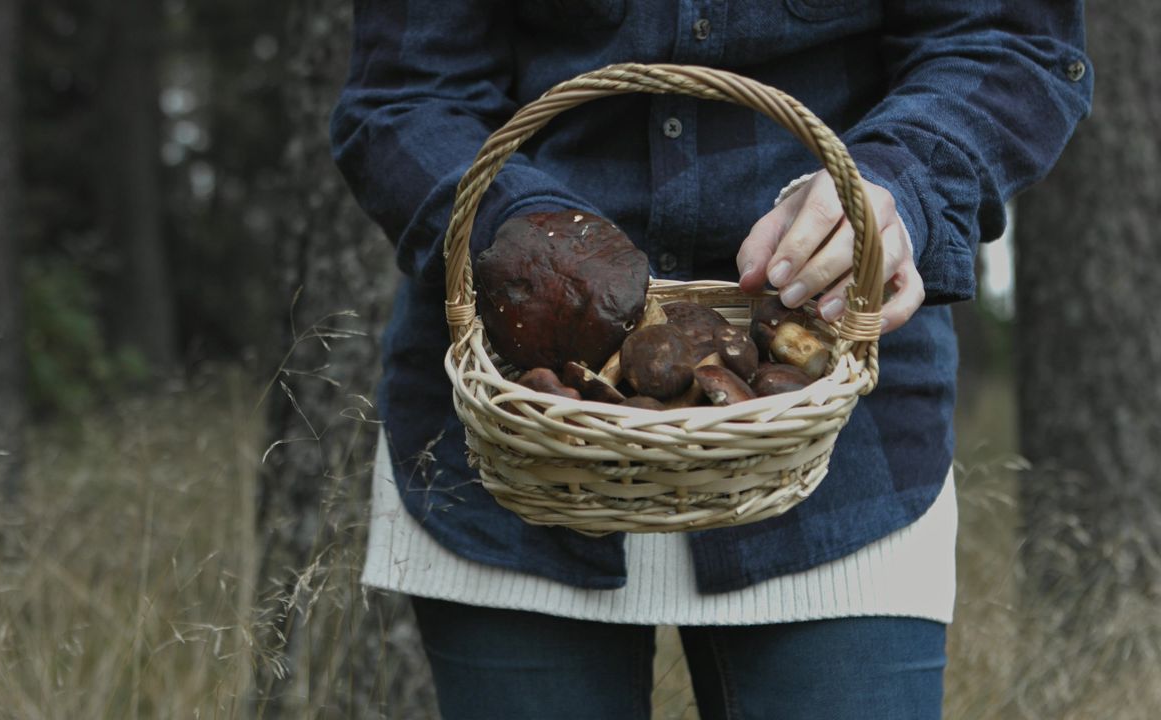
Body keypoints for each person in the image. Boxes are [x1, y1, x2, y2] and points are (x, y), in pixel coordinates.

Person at [330, 2, 1092, 718]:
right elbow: (404, 97)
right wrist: (536, 244)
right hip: (514, 437)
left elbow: (1008, 40)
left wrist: (901, 184)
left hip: (843, 449)